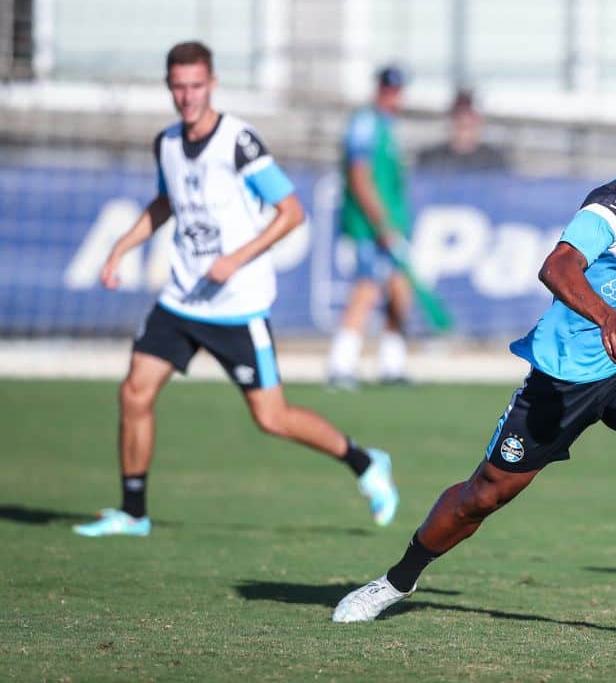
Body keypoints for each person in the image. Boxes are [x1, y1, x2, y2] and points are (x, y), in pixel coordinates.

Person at [332, 107, 616, 623]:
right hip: (564, 375)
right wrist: (605, 317)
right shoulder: (614, 206)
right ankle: (395, 582)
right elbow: (556, 266)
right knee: (483, 496)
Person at [73, 41, 399, 537]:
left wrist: (236, 258)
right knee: (135, 393)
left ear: (213, 84)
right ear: (169, 87)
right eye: (178, 86)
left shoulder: (239, 141)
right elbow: (166, 202)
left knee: (272, 417)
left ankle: (365, 462)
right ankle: (133, 513)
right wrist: (122, 247)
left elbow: (291, 212)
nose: (187, 96)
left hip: (237, 306)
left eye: (196, 85)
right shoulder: (165, 143)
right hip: (181, 299)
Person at [327, 66, 415, 389]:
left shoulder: (389, 127)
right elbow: (360, 175)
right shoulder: (365, 123)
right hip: (368, 226)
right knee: (366, 289)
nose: (393, 95)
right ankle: (340, 364)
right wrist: (380, 222)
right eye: (388, 89)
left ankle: (392, 364)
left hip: (390, 223)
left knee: (399, 290)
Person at [415, 89, 510, 173]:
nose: (464, 120)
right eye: (459, 116)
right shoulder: (431, 159)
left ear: (479, 121)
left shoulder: (494, 160)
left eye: (470, 116)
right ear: (451, 119)